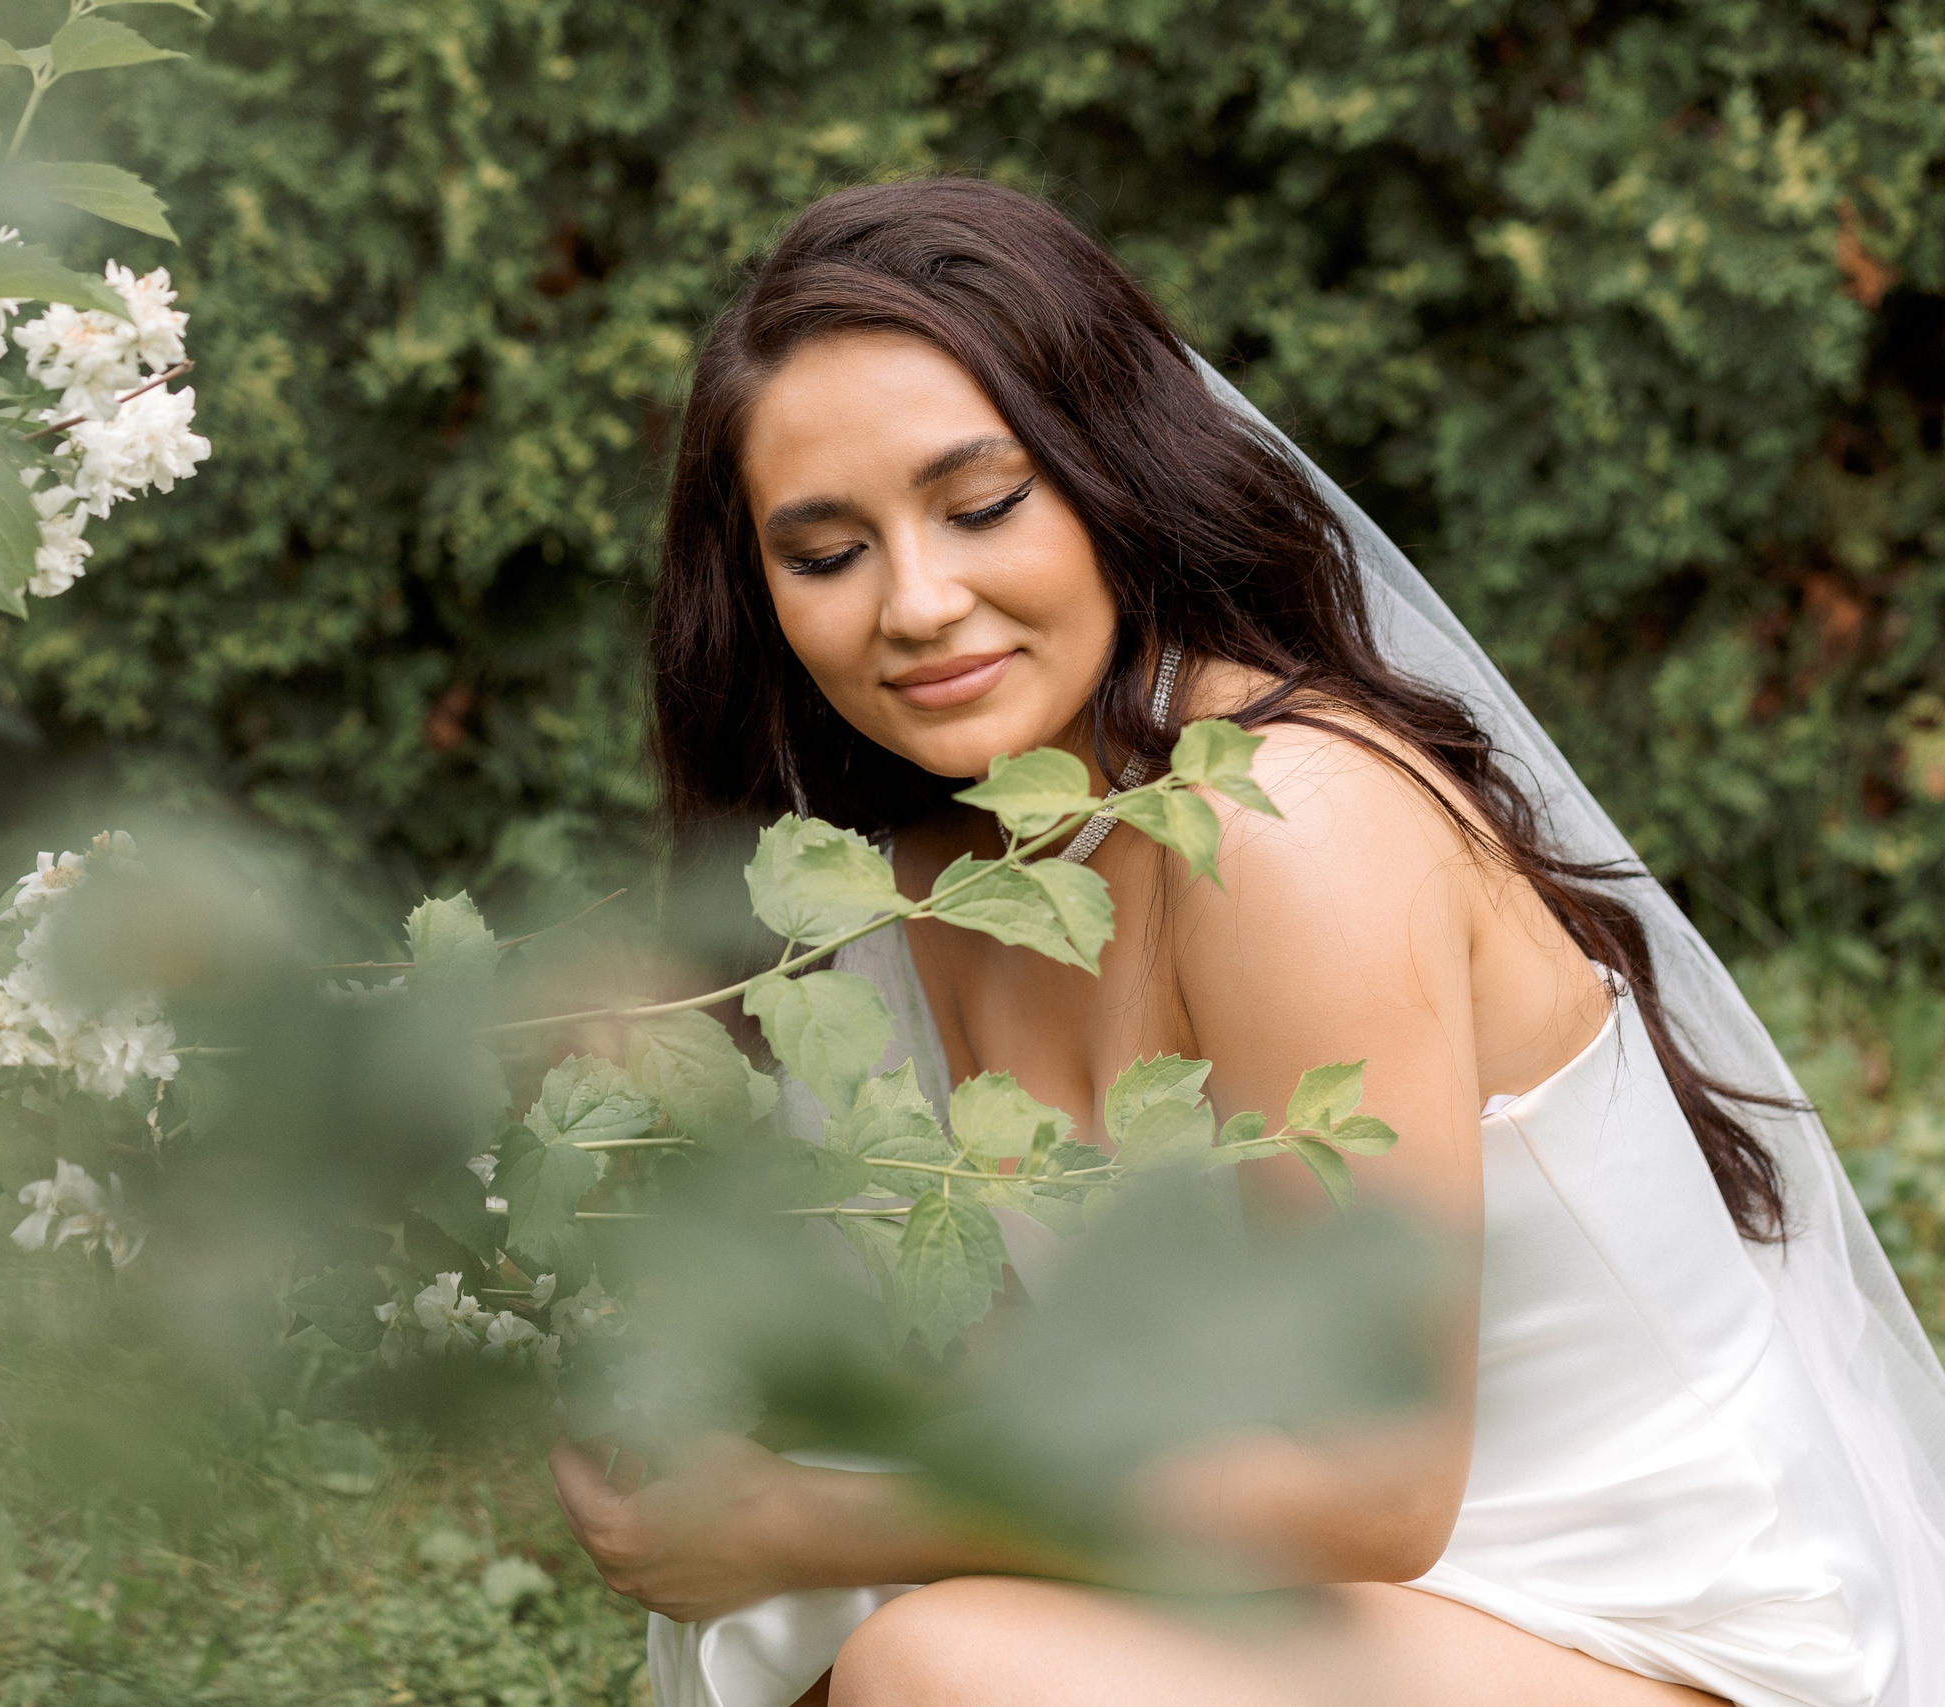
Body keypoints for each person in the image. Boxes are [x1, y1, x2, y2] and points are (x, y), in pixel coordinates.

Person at [548, 178, 1945, 1707]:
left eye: (983, 503)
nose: (920, 603)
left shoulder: (1296, 823)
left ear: (1107, 476)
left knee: (936, 1662)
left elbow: (1375, 1489)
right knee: (805, 1647)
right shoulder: (925, 882)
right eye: (827, 554)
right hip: (1333, 1617)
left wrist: (798, 1521)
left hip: (1656, 1638)